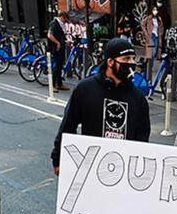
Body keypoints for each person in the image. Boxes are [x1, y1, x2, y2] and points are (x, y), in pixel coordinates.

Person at [50, 38, 150, 175]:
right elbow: (68, 125)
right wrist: (58, 158)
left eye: (133, 59)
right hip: (90, 167)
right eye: (126, 59)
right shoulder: (85, 89)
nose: (132, 63)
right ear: (110, 62)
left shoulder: (138, 98)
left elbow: (142, 138)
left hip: (123, 171)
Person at [47, 11, 70, 91]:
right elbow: (50, 35)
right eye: (65, 19)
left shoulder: (60, 24)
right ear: (62, 17)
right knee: (57, 66)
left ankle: (59, 84)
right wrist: (57, 43)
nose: (65, 21)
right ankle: (52, 85)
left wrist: (65, 41)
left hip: (60, 48)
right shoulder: (54, 23)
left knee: (60, 66)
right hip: (55, 48)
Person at [141, 4, 165, 79]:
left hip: (157, 36)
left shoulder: (159, 19)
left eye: (156, 10)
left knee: (154, 53)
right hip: (151, 36)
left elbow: (161, 27)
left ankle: (149, 65)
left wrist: (161, 33)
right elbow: (142, 24)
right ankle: (148, 65)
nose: (155, 11)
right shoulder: (149, 18)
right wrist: (146, 33)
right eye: (154, 10)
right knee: (151, 52)